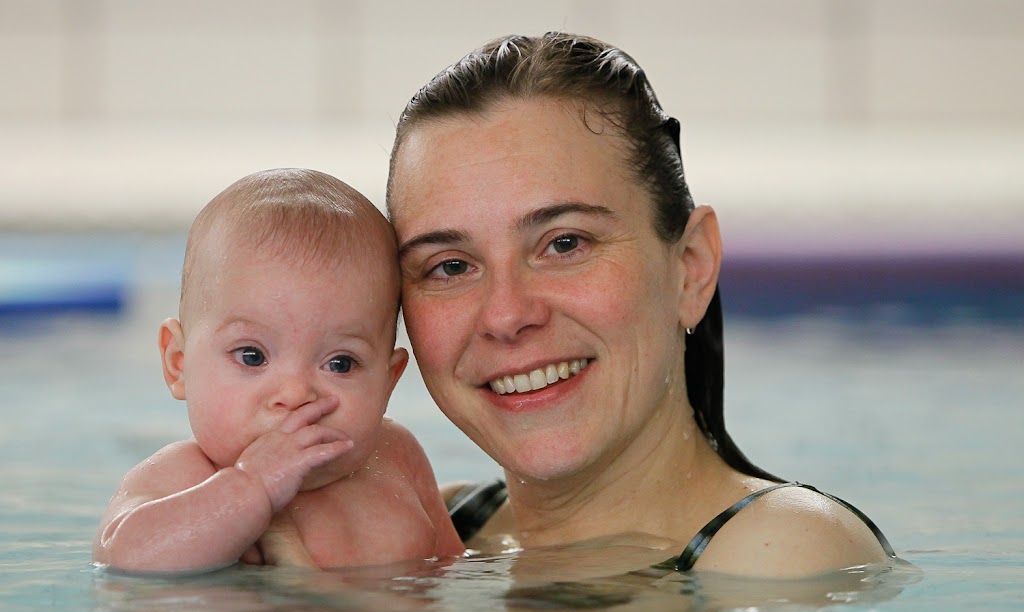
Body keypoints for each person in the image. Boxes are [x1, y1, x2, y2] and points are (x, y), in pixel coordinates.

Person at [385, 32, 897, 578]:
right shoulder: (436, 528)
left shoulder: (785, 548)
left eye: (565, 243)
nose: (506, 316)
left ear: (691, 268)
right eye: (451, 266)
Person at [93, 168, 464, 573]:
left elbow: (453, 566)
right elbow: (124, 557)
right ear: (178, 363)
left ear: (387, 383)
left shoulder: (395, 455)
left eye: (340, 364)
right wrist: (248, 487)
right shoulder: (184, 476)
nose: (296, 394)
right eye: (252, 356)